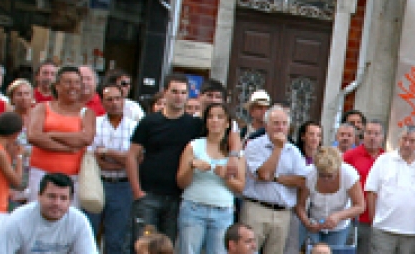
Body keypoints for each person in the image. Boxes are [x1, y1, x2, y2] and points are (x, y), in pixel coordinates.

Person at [127, 74, 202, 240]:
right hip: (148, 194)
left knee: (168, 246)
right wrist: (137, 190)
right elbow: (132, 155)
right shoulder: (149, 122)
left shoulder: (195, 125)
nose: (179, 96)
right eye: (174, 91)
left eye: (183, 92)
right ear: (165, 93)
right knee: (144, 245)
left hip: (179, 197)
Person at [177, 103, 247, 254]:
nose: (214, 120)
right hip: (193, 207)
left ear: (227, 123)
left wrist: (225, 177)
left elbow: (241, 187)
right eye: (210, 116)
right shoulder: (194, 146)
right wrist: (192, 166)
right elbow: (181, 182)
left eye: (220, 117)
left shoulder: (236, 153)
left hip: (223, 211)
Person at [243, 106, 307, 254]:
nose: (280, 127)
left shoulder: (294, 151)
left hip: (282, 213)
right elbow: (264, 174)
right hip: (256, 208)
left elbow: (301, 181)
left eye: (284, 124)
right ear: (266, 125)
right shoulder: (254, 146)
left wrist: (276, 178)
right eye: (276, 123)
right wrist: (278, 148)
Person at [362, 125, 415, 254]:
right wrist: (374, 220)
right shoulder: (384, 160)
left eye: (412, 141)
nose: (407, 144)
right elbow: (371, 191)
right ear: (398, 140)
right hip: (384, 228)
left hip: (411, 231)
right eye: (404, 139)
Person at [25, 66, 96, 199]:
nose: (73, 86)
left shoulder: (87, 113)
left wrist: (51, 134)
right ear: (57, 86)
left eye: (77, 82)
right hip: (41, 173)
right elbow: (33, 136)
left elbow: (86, 138)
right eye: (68, 82)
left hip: (72, 177)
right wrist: (67, 149)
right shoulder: (42, 108)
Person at [0, 173, 99, 254]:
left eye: (63, 198)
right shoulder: (18, 219)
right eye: (51, 196)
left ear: (70, 201)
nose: (57, 203)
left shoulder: (79, 221)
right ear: (39, 196)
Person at [89, 84, 139, 254]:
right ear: (102, 102)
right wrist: (124, 160)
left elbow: (137, 159)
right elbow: (94, 158)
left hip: (123, 186)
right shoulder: (95, 124)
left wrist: (107, 152)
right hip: (98, 183)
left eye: (118, 98)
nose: (115, 103)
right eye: (109, 99)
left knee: (116, 238)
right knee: (90, 233)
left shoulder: (135, 126)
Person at [297, 147, 366, 251]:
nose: (326, 179)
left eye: (330, 176)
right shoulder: (310, 174)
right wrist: (306, 222)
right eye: (322, 175)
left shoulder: (349, 174)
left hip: (339, 226)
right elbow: (300, 205)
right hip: (314, 222)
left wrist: (339, 216)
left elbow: (360, 206)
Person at [287, 120, 325, 252]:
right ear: (303, 136)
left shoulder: (324, 159)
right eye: (311, 134)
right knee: (292, 247)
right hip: (294, 209)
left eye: (318, 135)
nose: (315, 138)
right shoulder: (293, 155)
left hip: (316, 212)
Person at [345, 120, 385, 242]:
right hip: (352, 218)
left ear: (382, 137)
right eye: (369, 133)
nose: (372, 137)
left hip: (377, 220)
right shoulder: (350, 156)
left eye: (376, 134)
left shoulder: (387, 159)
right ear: (363, 135)